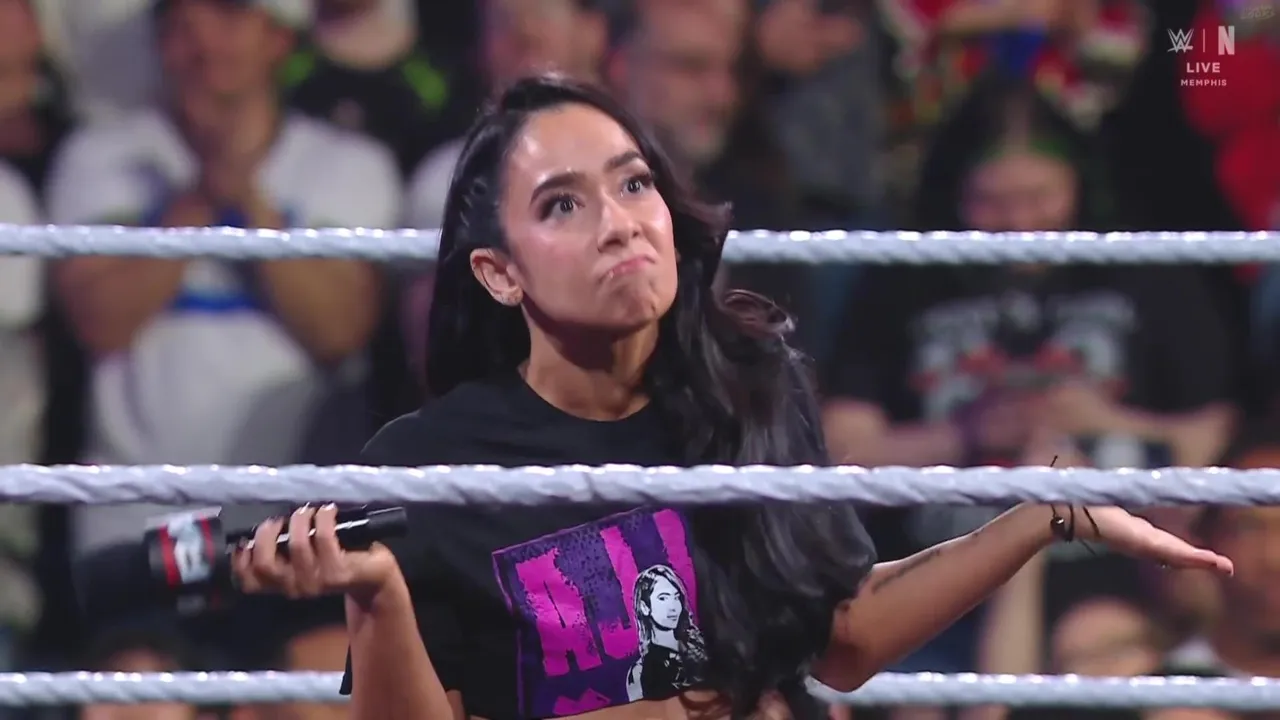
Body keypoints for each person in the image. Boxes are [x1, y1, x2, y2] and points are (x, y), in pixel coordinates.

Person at [227, 75, 1234, 720]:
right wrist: (378, 599)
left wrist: (1041, 513)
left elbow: (842, 637)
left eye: (633, 184)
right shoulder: (430, 465)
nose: (620, 223)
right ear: (498, 273)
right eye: (563, 205)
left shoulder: (748, 389)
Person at [46, 0, 397, 552]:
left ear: (281, 38)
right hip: (133, 512)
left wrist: (248, 200)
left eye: (228, 16)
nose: (203, 40)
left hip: (295, 517)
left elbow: (339, 332)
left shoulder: (350, 165)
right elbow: (100, 323)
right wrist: (199, 199)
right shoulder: (98, 158)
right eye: (180, 23)